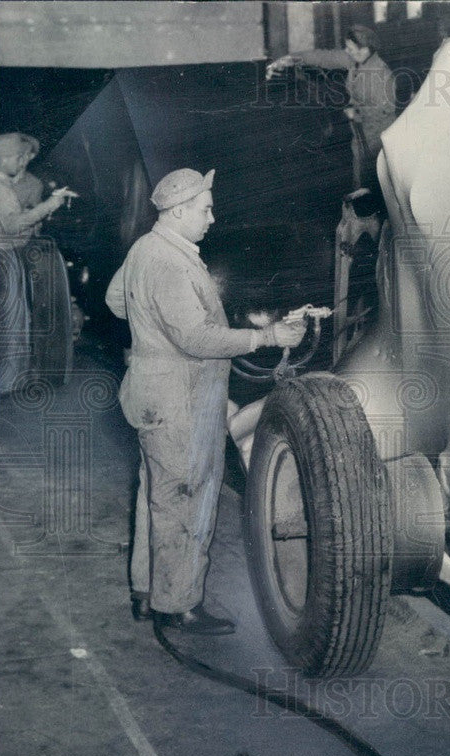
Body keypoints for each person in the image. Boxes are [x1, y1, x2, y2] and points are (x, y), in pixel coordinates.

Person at [105, 167, 306, 635]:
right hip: (180, 401)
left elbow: (117, 300)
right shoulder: (170, 262)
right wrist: (268, 336)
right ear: (178, 211)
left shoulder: (146, 248)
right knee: (187, 499)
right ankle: (180, 606)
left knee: (157, 496)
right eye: (205, 209)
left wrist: (150, 329)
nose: (212, 218)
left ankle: (146, 593)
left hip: (152, 392)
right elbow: (196, 337)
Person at [0, 132, 77, 395]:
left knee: (10, 320)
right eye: (19, 159)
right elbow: (12, 225)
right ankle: (3, 384)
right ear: (6, 158)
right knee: (9, 322)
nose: (23, 164)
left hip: (2, 255)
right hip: (3, 254)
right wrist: (51, 204)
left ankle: (4, 381)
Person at [266, 24, 397, 189]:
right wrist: (289, 59)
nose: (346, 51)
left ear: (364, 50)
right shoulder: (355, 59)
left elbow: (385, 111)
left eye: (349, 48)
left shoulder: (382, 75)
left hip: (379, 139)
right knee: (362, 184)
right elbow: (323, 57)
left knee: (378, 186)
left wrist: (356, 113)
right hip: (360, 135)